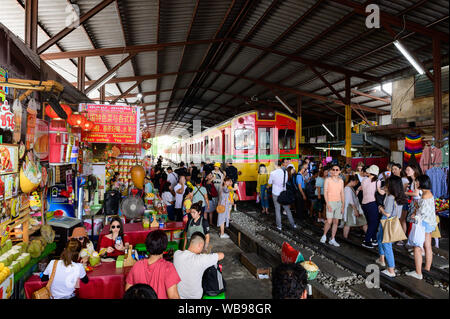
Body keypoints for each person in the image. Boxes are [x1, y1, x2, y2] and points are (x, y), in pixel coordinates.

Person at [125, 230, 181, 299]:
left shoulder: (137, 265)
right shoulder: (168, 267)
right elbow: (173, 296)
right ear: (165, 247)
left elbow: (128, 292)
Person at [174, 232, 225, 299]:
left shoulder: (176, 254)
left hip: (178, 295)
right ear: (200, 245)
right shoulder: (201, 259)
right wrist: (205, 254)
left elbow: (186, 254)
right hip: (195, 297)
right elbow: (222, 255)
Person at [375, 175, 408, 277]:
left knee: (387, 244)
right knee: (379, 238)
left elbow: (388, 213)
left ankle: (391, 269)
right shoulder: (398, 196)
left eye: (387, 184)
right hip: (392, 220)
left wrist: (380, 208)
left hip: (387, 220)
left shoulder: (390, 197)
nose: (386, 185)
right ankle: (381, 259)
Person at [406, 175, 437, 280]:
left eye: (417, 182)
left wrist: (415, 215)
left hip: (423, 224)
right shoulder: (428, 193)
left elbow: (422, 212)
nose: (416, 184)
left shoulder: (424, 196)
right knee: (428, 246)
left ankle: (418, 273)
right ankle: (427, 268)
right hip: (430, 223)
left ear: (421, 183)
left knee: (417, 247)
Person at [268, 159, 297, 231]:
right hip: (284, 193)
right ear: (281, 165)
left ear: (275, 165)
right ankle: (293, 224)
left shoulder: (273, 173)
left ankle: (279, 226)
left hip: (275, 193)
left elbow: (270, 182)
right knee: (287, 209)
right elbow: (286, 181)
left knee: (277, 209)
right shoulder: (285, 172)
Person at [359, 165, 383, 249]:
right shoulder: (377, 181)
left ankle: (374, 239)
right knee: (374, 223)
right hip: (372, 203)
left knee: (370, 222)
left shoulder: (364, 180)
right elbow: (380, 193)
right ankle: (367, 240)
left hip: (364, 204)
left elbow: (362, 189)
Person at [320, 164, 344, 247]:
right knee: (329, 221)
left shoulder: (341, 181)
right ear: (331, 171)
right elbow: (325, 192)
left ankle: (332, 239)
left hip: (338, 203)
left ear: (340, 172)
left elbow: (342, 193)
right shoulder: (328, 180)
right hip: (330, 202)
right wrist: (327, 203)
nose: (335, 171)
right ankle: (324, 235)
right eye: (333, 169)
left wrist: (343, 205)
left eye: (337, 170)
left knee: (336, 222)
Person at [404, 164, 422, 234]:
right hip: (415, 202)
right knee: (414, 221)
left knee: (415, 221)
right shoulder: (413, 180)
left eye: (408, 170)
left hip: (417, 202)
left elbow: (416, 194)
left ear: (414, 171)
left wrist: (405, 193)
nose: (406, 171)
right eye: (406, 170)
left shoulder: (416, 180)